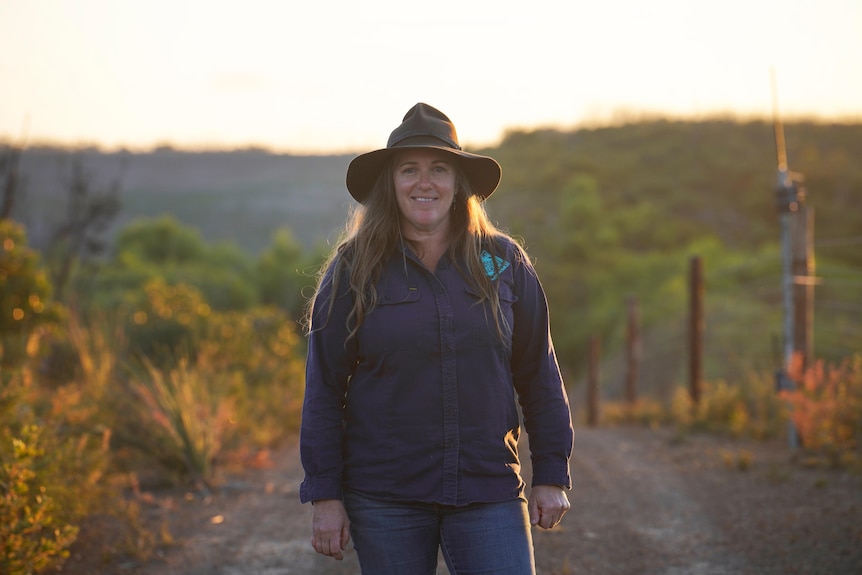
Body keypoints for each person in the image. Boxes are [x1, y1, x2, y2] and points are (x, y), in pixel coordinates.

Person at [299, 102, 573, 574]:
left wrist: (551, 472)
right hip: (385, 497)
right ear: (391, 183)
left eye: (439, 169)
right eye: (410, 169)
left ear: (458, 183)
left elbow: (538, 373)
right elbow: (324, 388)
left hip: (487, 491)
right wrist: (325, 496)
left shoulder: (501, 263)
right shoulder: (354, 269)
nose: (424, 183)